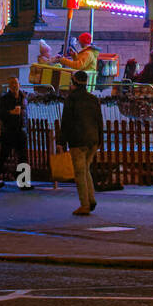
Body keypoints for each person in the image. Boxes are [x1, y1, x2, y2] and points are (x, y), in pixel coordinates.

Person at [58, 70, 102, 215]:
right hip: (93, 140)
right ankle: (91, 198)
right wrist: (100, 139)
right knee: (86, 169)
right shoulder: (93, 99)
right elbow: (99, 121)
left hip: (78, 140)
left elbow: (66, 122)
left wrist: (61, 141)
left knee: (80, 173)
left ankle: (85, 204)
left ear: (74, 82)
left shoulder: (71, 99)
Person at [0, 77, 30, 189]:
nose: (14, 85)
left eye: (16, 83)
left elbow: (25, 113)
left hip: (21, 131)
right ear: (9, 86)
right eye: (12, 83)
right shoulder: (5, 98)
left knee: (23, 157)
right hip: (9, 131)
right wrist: (10, 112)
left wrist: (26, 126)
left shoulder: (23, 97)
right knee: (3, 156)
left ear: (19, 84)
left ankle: (23, 183)